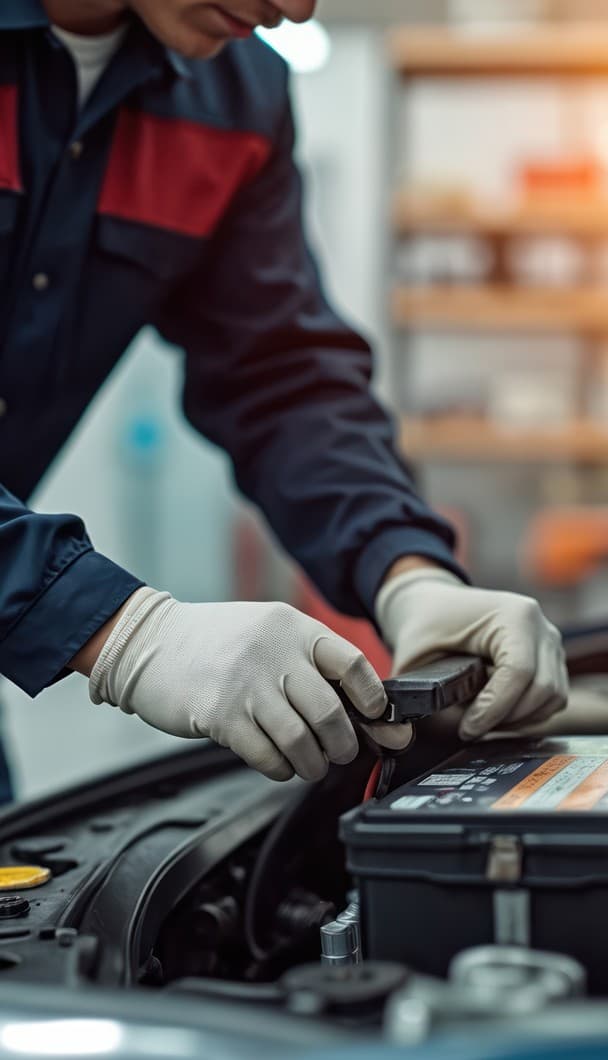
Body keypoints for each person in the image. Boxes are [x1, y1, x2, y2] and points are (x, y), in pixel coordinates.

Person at [0, 0, 568, 793]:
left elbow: (278, 373)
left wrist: (406, 572)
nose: (298, 6)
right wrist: (121, 629)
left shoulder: (235, 93)